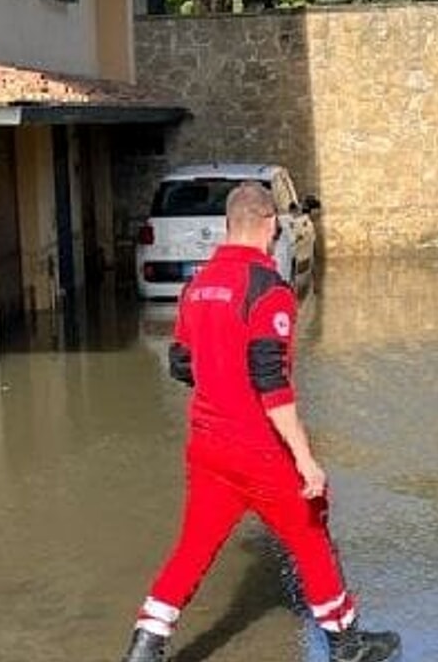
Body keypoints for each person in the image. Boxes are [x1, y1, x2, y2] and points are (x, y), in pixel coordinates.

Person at [119, 182, 400, 662]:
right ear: (270, 224)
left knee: (193, 548)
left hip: (208, 447)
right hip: (260, 450)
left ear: (230, 225)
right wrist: (307, 462)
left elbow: (182, 364)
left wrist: (221, 375)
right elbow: (273, 387)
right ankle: (347, 643)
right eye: (276, 228)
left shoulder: (197, 286)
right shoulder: (269, 289)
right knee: (312, 536)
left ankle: (146, 645)